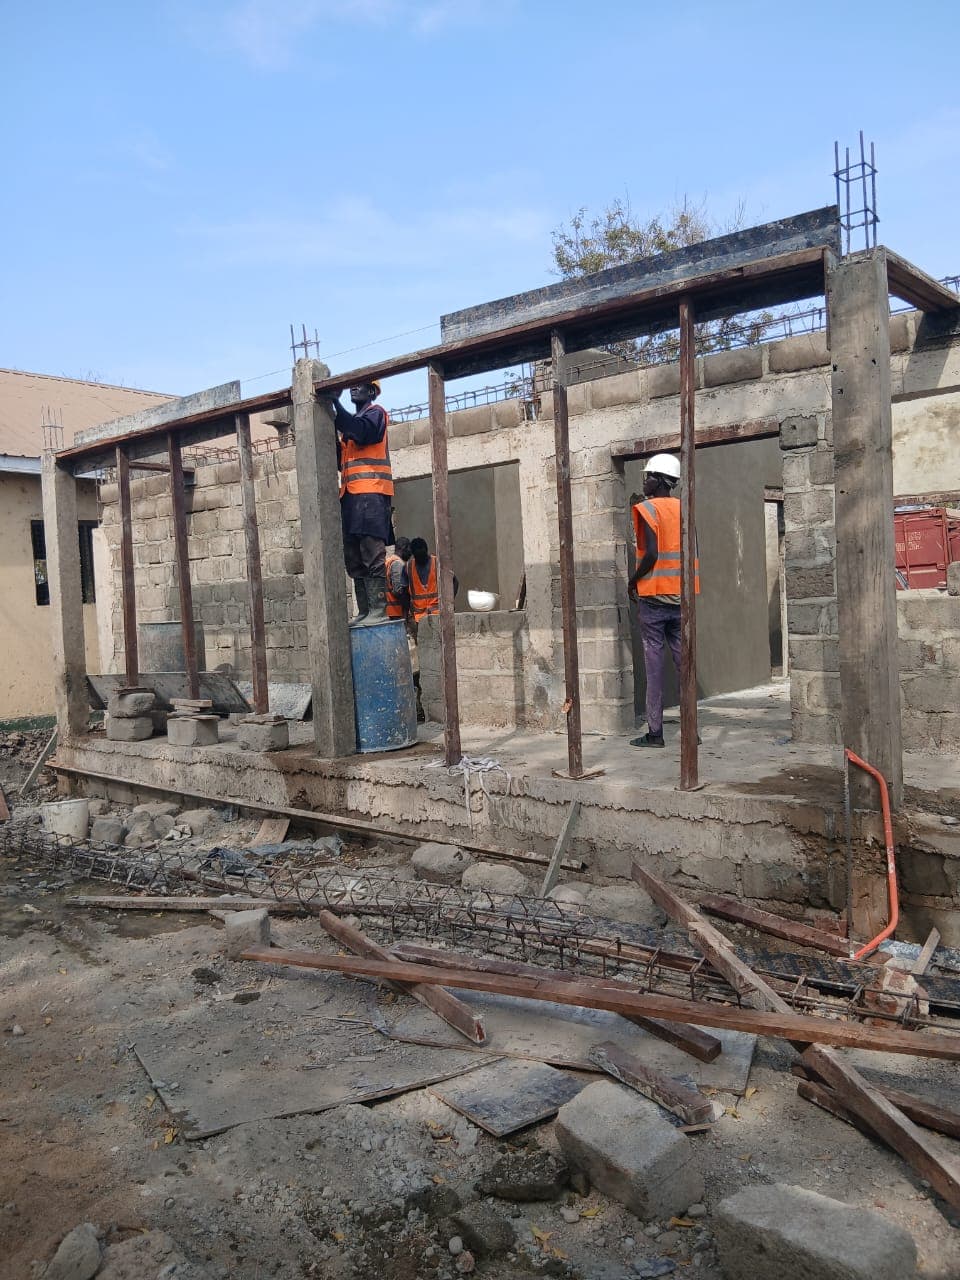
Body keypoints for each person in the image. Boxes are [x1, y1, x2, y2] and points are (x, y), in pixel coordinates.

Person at [628, 453, 699, 748]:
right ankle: (691, 732)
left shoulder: (647, 509)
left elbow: (652, 554)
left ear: (659, 480)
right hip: (682, 600)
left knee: (655, 669)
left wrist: (632, 581)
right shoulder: (685, 509)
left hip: (654, 599)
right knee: (685, 668)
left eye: (648, 477)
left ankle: (655, 734)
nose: (644, 482)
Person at [326, 379, 393, 627]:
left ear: (372, 391)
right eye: (352, 386)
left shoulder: (376, 414)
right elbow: (340, 460)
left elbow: (361, 431)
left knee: (372, 552)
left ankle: (378, 610)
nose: (354, 388)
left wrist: (335, 402)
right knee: (353, 556)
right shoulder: (349, 430)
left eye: (361, 385)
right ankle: (365, 610)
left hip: (372, 494)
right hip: (351, 497)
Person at [385, 536, 411, 621]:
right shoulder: (398, 563)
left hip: (390, 610)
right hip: (396, 611)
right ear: (403, 548)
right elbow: (398, 590)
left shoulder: (389, 561)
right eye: (409, 550)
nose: (410, 554)